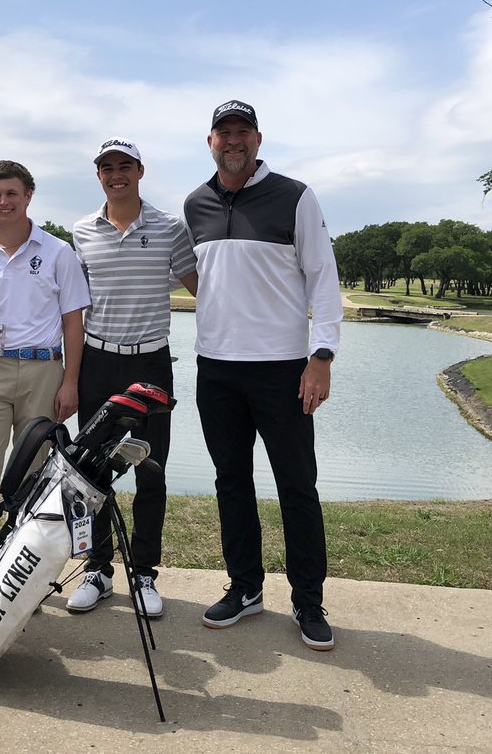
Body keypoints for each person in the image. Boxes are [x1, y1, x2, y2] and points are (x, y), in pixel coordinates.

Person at [183, 100, 342, 651]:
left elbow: (323, 278)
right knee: (232, 482)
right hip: (217, 369)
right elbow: (206, 279)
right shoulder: (195, 203)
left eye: (242, 132)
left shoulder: (295, 196)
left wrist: (320, 355)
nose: (233, 141)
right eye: (223, 133)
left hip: (283, 370)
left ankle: (308, 600)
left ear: (257, 138)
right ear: (210, 142)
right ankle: (246, 587)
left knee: (297, 486)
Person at [66, 138, 197, 619]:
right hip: (99, 360)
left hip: (151, 362)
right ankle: (98, 570)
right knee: (92, 472)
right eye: (107, 167)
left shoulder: (167, 228)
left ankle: (143, 573)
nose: (116, 174)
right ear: (98, 174)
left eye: (125, 166)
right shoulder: (81, 230)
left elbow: (201, 287)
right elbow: (71, 308)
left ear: (140, 170)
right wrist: (69, 376)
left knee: (150, 471)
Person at [0, 160, 90, 544]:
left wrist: (70, 383)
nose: (3, 201)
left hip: (43, 370)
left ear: (28, 196)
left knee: (35, 472)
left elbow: (72, 323)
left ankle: (21, 563)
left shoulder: (58, 252)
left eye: (12, 193)